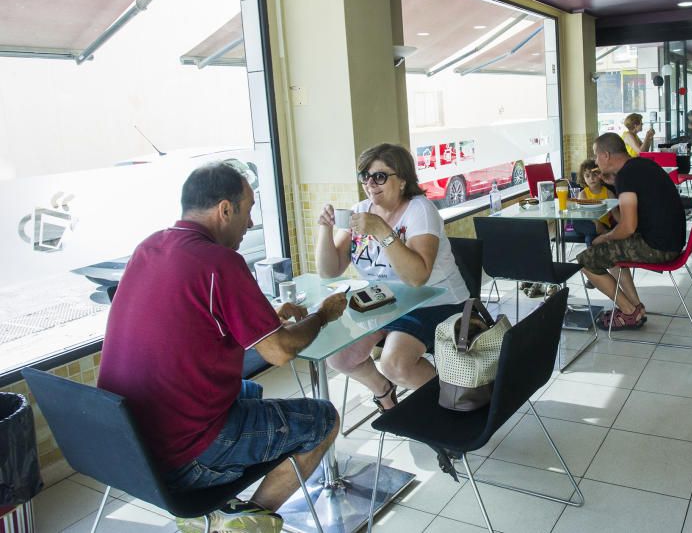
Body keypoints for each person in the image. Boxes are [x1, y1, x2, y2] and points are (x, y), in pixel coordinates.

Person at [98, 162, 346, 533]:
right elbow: (280, 353)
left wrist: (265, 319)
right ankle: (242, 520)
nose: (249, 224)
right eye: (247, 210)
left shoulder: (148, 247)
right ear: (225, 209)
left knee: (250, 391)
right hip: (186, 455)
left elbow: (189, 321)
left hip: (131, 444)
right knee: (324, 420)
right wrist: (324, 315)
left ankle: (218, 510)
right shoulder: (221, 262)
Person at [316, 143, 467, 412]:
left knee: (395, 363)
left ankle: (451, 408)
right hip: (385, 304)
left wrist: (382, 230)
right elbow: (330, 270)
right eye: (365, 176)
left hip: (436, 302)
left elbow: (417, 277)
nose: (370, 183)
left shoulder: (420, 210)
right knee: (338, 356)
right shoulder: (360, 210)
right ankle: (383, 391)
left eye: (380, 176)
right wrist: (324, 231)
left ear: (402, 180)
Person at [577, 133, 686, 330]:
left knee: (586, 260)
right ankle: (636, 308)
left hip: (658, 247)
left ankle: (628, 311)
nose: (595, 161)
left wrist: (604, 237)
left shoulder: (627, 177)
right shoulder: (641, 166)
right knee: (612, 252)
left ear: (606, 155)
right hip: (672, 241)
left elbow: (628, 227)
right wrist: (613, 182)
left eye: (596, 155)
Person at [573, 159, 616, 245]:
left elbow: (615, 212)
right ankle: (604, 232)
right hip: (587, 223)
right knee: (578, 223)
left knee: (590, 238)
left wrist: (623, 225)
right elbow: (585, 214)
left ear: (600, 175)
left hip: (603, 224)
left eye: (594, 175)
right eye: (587, 176)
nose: (591, 178)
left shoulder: (608, 193)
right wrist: (597, 224)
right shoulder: (583, 194)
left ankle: (593, 256)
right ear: (583, 178)